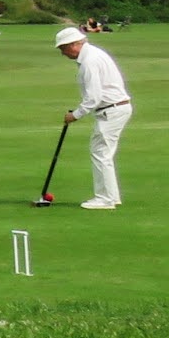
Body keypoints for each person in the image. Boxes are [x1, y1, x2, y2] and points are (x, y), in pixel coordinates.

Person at [55, 27, 133, 209]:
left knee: (100, 153)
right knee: (102, 153)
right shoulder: (93, 54)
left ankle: (105, 199)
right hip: (114, 108)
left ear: (74, 44)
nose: (63, 53)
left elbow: (93, 97)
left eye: (63, 48)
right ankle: (111, 197)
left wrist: (75, 115)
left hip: (111, 110)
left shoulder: (90, 61)